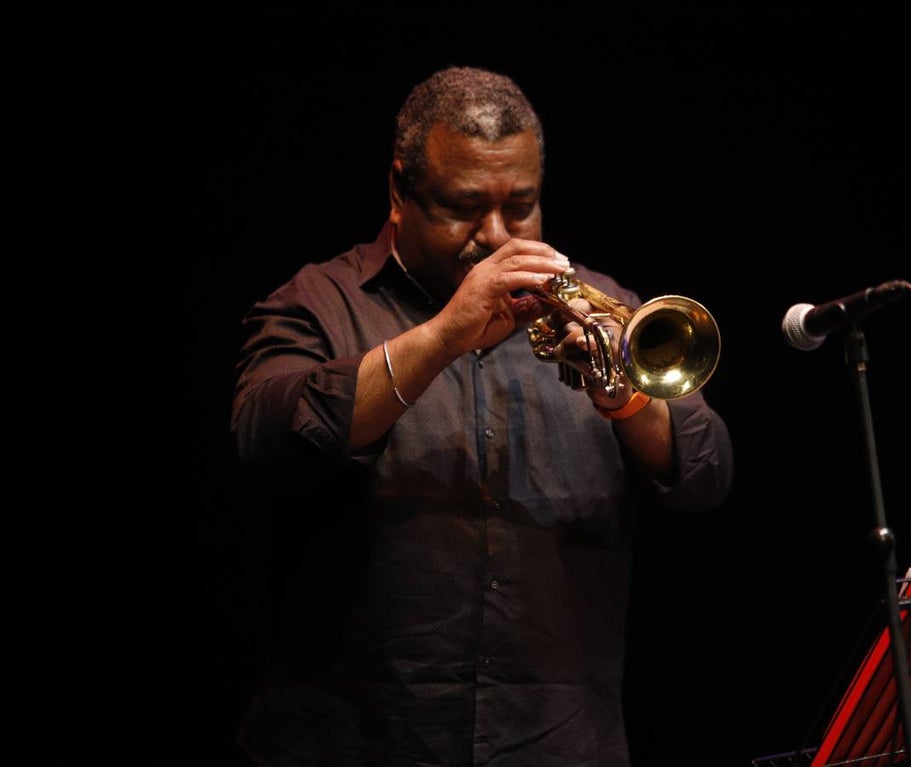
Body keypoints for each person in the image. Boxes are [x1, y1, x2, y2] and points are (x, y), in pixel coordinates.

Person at [230, 65, 734, 766]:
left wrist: (623, 397)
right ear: (399, 191)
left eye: (521, 206)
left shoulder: (604, 303)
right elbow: (271, 440)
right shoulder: (315, 303)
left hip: (561, 743)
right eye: (465, 206)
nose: (497, 236)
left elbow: (706, 473)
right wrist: (444, 333)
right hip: (358, 740)